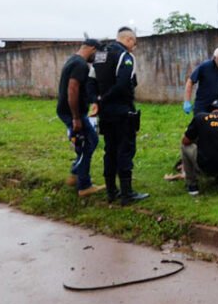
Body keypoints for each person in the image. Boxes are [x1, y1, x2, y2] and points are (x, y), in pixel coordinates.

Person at [88, 27, 149, 205]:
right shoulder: (126, 56)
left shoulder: (100, 55)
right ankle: (127, 194)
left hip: (105, 113)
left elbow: (90, 81)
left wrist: (97, 100)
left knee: (110, 150)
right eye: (134, 43)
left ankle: (111, 192)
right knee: (125, 150)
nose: (134, 47)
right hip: (122, 111)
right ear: (128, 39)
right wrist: (105, 99)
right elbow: (123, 84)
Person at [56, 39, 105, 197]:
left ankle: (76, 175)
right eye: (97, 54)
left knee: (87, 141)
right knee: (88, 144)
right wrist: (76, 118)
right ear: (92, 48)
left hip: (68, 111)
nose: (96, 58)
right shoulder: (80, 65)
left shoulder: (73, 60)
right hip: (72, 113)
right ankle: (84, 185)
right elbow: (72, 90)